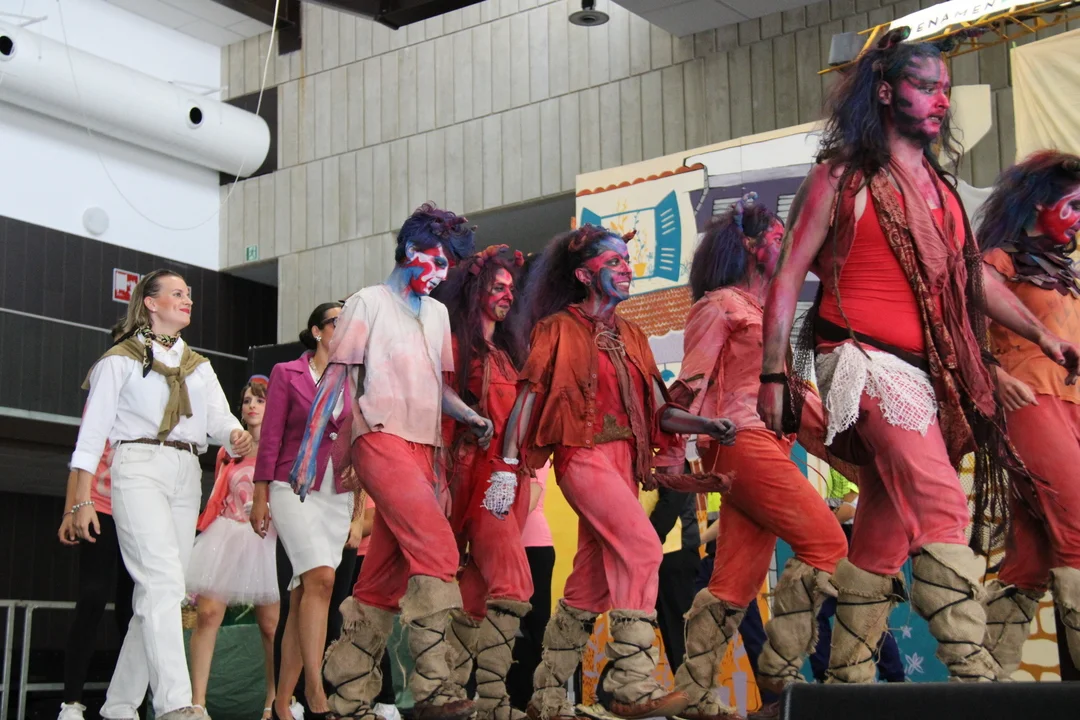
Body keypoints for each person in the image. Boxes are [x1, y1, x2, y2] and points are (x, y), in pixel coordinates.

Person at [756, 32, 1080, 684]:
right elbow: (788, 275)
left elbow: (971, 278)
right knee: (940, 505)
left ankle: (834, 676)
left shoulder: (939, 188)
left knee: (881, 540)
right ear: (885, 92)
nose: (941, 101)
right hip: (861, 358)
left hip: (926, 372)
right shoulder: (839, 177)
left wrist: (1043, 337)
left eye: (944, 90)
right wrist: (772, 373)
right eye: (926, 87)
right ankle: (976, 674)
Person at [495, 224, 737, 720]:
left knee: (591, 584)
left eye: (627, 261)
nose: (627, 269)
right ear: (585, 275)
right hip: (581, 456)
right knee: (643, 547)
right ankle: (629, 682)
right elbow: (528, 397)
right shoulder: (556, 328)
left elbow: (659, 411)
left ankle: (546, 694)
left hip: (625, 463)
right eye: (614, 262)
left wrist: (705, 424)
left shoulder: (632, 334)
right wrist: (507, 465)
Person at [669, 196, 849, 719]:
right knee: (828, 545)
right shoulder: (718, 305)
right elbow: (690, 384)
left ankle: (693, 692)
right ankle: (779, 671)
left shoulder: (770, 314)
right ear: (751, 246)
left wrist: (857, 453)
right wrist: (673, 452)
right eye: (777, 236)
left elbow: (795, 398)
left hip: (767, 444)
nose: (788, 244)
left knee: (733, 583)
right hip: (738, 441)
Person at [316, 203, 488, 720]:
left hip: (424, 449)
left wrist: (471, 416)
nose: (441, 275)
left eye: (448, 267)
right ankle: (435, 687)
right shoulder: (367, 302)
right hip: (379, 437)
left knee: (383, 578)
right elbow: (337, 379)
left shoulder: (436, 315)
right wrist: (310, 457)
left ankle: (348, 699)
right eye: (436, 261)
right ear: (411, 251)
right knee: (437, 546)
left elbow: (438, 389)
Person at [70, 269, 254, 720]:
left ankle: (119, 706)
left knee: (162, 593)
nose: (187, 299)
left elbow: (219, 418)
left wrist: (234, 435)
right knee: (161, 583)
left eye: (189, 294)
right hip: (137, 465)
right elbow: (91, 437)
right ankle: (176, 703)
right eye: (176, 293)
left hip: (186, 470)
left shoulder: (198, 365)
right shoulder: (120, 360)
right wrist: (81, 500)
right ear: (151, 303)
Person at [975, 151, 1080, 677]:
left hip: (1070, 407)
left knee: (1031, 559)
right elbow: (959, 320)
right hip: (1029, 404)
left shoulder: (1065, 271)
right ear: (1040, 203)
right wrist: (993, 374)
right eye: (1073, 206)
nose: (1079, 219)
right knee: (1079, 529)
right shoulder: (998, 259)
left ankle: (982, 684)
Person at [430, 245, 534, 720]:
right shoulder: (458, 344)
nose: (507, 295)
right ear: (476, 291)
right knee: (511, 582)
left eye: (512, 288)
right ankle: (490, 699)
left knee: (476, 585)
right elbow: (437, 392)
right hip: (476, 473)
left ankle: (455, 692)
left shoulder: (511, 353)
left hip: (511, 475)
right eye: (498, 286)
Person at [251, 302, 357, 720]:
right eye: (336, 321)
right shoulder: (286, 373)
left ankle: (281, 704)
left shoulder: (355, 376)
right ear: (317, 331)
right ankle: (315, 686)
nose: (344, 327)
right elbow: (270, 436)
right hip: (290, 486)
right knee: (322, 578)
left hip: (336, 492)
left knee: (305, 596)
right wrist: (260, 495)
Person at [186, 376, 280, 717]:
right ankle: (197, 703)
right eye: (247, 401)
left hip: (266, 538)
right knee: (208, 614)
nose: (252, 406)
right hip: (226, 533)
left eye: (260, 400)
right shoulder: (229, 450)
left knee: (271, 625)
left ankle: (274, 702)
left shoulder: (280, 448)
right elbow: (218, 494)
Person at [56, 322, 135, 720]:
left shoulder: (153, 389)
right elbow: (83, 454)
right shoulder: (103, 387)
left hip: (137, 510)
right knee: (91, 598)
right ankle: (71, 701)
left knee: (132, 608)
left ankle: (125, 702)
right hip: (99, 506)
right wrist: (71, 509)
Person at [809, 469, 905, 684]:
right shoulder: (839, 466)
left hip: (851, 542)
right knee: (866, 614)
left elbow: (848, 508)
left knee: (866, 614)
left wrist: (824, 526)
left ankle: (894, 676)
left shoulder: (848, 466)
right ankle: (894, 676)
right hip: (848, 541)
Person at [507, 463, 555, 712]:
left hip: (533, 548)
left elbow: (530, 498)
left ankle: (534, 702)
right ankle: (513, 702)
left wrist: (495, 533)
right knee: (508, 629)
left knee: (535, 630)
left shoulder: (538, 455)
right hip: (507, 546)